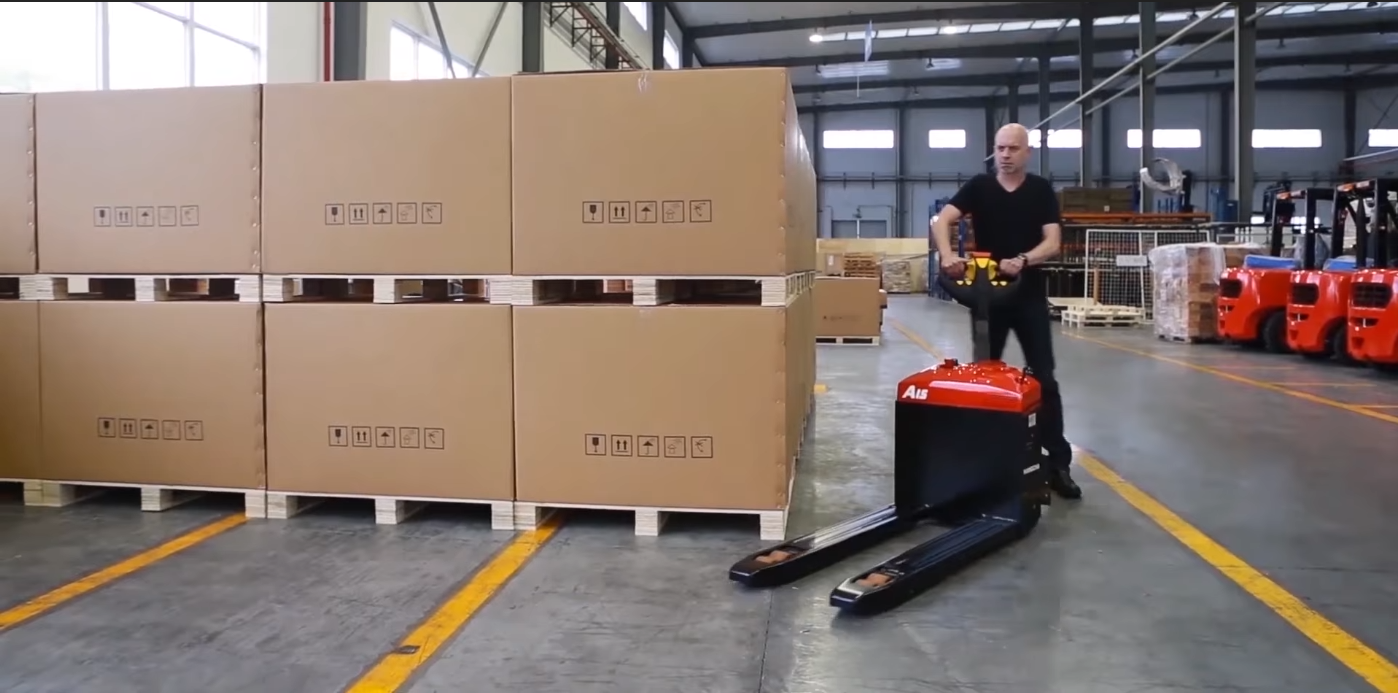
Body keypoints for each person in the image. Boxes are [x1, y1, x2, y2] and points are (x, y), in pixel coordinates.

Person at [931, 123, 1082, 500]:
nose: (1005, 155)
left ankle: (1058, 464)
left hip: (1027, 294)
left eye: (1013, 148)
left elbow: (1053, 242)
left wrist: (1023, 259)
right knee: (984, 377)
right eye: (1000, 148)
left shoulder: (1040, 190)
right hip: (987, 297)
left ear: (1027, 152)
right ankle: (985, 460)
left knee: (1044, 379)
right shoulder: (979, 187)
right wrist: (947, 255)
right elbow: (943, 219)